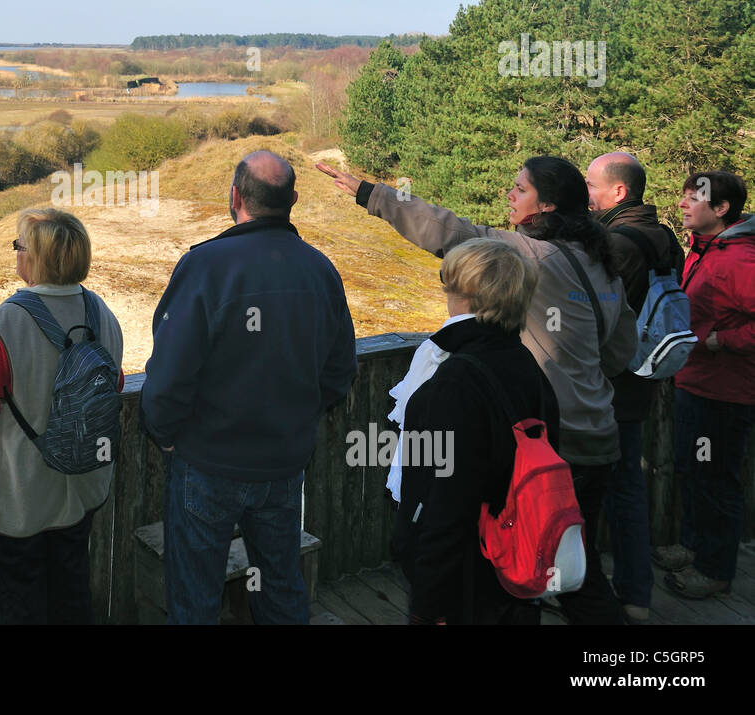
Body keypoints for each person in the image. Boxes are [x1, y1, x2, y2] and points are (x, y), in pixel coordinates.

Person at [318, 155, 636, 625]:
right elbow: (620, 350)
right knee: (567, 561)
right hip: (600, 439)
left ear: (545, 206)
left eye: (521, 189)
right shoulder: (600, 263)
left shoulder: (528, 255)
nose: (511, 195)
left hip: (548, 444)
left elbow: (448, 231)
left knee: (562, 576)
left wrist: (372, 194)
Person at [142, 150, 357, 625]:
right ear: (293, 201)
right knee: (280, 586)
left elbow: (169, 375)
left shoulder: (205, 266)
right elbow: (340, 369)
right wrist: (297, 418)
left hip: (207, 462)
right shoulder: (320, 270)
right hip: (282, 465)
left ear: (235, 196)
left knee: (195, 595)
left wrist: (166, 433)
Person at [0, 208, 124, 624]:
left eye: (19, 246)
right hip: (81, 488)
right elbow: (112, 384)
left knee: (21, 605)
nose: (16, 254)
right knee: (71, 597)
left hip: (18, 495)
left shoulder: (6, 321)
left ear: (37, 258)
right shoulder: (101, 313)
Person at [392, 238, 561, 624]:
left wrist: (427, 604)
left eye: (449, 284)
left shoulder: (457, 378)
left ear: (464, 295)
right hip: (515, 557)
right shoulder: (528, 367)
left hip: (465, 579)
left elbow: (445, 500)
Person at [585, 151, 684, 622]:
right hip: (642, 380)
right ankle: (636, 596)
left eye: (590, 185)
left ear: (618, 192)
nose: (586, 194)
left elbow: (593, 319)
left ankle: (585, 592)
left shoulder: (616, 244)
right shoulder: (665, 237)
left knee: (591, 490)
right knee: (628, 489)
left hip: (607, 386)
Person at [659, 171, 755, 599]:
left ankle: (714, 569)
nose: (683, 204)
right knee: (693, 470)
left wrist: (723, 340)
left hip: (723, 394)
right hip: (696, 384)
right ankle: (694, 546)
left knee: (714, 479)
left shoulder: (739, 260)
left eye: (693, 198)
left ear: (721, 210)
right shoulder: (707, 249)